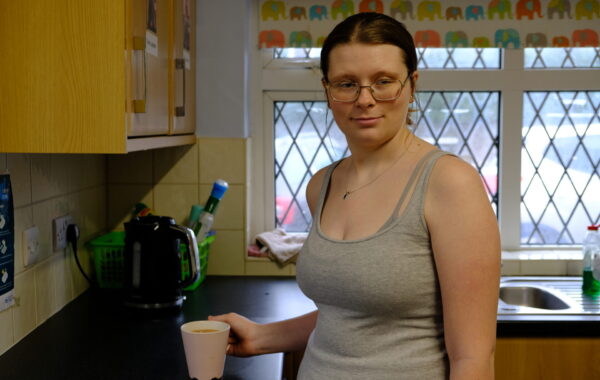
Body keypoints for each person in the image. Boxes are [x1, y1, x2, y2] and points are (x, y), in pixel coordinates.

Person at [209, 12, 501, 379]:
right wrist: (262, 336)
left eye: (383, 81)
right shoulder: (322, 184)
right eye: (347, 84)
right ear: (327, 90)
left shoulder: (449, 183)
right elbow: (346, 317)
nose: (365, 99)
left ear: (411, 85)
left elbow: (473, 358)